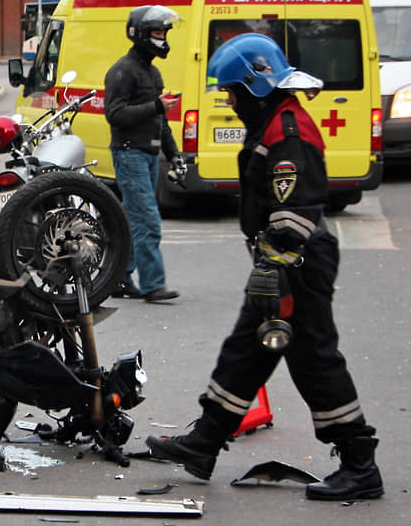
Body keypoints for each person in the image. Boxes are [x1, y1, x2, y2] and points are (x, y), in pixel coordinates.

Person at [145, 33, 383, 501]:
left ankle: (360, 461)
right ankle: (206, 441)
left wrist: (273, 266)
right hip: (280, 260)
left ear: (256, 86)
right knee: (246, 349)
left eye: (232, 92)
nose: (229, 101)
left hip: (296, 261)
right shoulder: (274, 122)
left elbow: (298, 207)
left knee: (314, 358)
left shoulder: (287, 131)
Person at [104, 5, 181, 302]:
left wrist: (174, 155)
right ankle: (153, 284)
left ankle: (120, 278)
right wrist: (156, 106)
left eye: (163, 33)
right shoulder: (123, 70)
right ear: (138, 34)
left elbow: (159, 121)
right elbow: (115, 114)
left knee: (135, 221)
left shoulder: (152, 72)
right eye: (157, 33)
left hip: (148, 155)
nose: (162, 38)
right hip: (129, 153)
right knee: (147, 219)